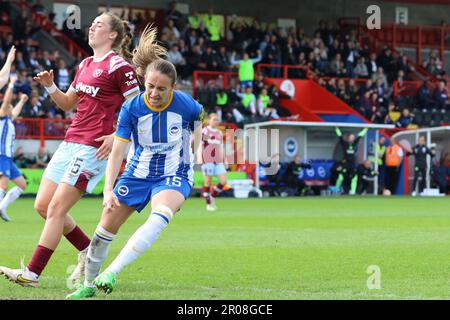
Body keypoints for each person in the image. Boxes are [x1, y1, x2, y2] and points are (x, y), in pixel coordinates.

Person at [0, 12, 142, 288]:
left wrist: (116, 135)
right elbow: (67, 104)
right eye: (92, 24)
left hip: (93, 148)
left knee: (55, 208)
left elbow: (137, 109)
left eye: (98, 25)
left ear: (112, 35)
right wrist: (50, 86)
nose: (91, 28)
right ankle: (88, 251)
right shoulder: (85, 63)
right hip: (70, 142)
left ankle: (32, 274)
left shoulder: (120, 67)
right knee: (42, 206)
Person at [66, 29, 204, 299]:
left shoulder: (188, 106)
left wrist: (195, 161)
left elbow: (198, 124)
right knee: (102, 231)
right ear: (144, 80)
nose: (153, 93)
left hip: (173, 173)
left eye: (161, 89)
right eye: (150, 86)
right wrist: (108, 190)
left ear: (173, 88)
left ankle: (112, 272)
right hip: (136, 174)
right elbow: (117, 152)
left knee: (161, 214)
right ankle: (88, 287)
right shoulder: (132, 108)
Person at [0, 72, 29, 222]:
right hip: (1, 155)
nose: (11, 108)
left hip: (8, 158)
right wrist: (11, 83)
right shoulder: (2, 116)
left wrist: (22, 101)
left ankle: (2, 207)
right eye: (9, 107)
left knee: (22, 185)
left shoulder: (9, 120)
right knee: (3, 184)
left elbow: (15, 111)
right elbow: (6, 102)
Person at [200, 113, 228, 211]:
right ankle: (208, 204)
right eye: (214, 119)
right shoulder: (204, 131)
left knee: (223, 181)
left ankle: (211, 196)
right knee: (208, 181)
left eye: (217, 119)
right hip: (208, 160)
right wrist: (201, 158)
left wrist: (225, 159)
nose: (216, 121)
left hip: (218, 160)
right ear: (209, 120)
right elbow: (201, 145)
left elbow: (220, 147)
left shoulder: (219, 133)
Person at [335, 126, 368, 194]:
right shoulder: (345, 144)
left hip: (352, 164)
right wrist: (336, 129)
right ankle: (336, 190)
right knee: (341, 177)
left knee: (354, 177)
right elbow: (340, 136)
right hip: (345, 163)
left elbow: (360, 136)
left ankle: (352, 191)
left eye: (353, 137)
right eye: (351, 137)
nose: (352, 138)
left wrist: (366, 129)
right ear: (348, 138)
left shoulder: (355, 143)